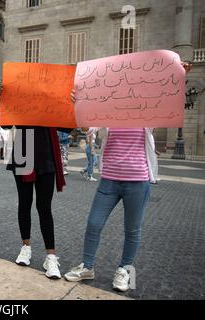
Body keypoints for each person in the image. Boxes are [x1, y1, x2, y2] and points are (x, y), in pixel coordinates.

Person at [64, 61, 192, 292]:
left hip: (138, 180)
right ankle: (87, 266)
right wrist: (79, 106)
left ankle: (124, 270)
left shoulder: (148, 110)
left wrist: (178, 76)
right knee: (94, 224)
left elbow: (169, 101)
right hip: (109, 179)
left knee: (132, 230)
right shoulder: (109, 109)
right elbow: (87, 128)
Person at [0, 85, 72, 279]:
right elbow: (4, 124)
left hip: (47, 157)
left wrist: (71, 102)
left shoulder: (52, 102)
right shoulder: (20, 101)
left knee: (44, 207)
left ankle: (51, 256)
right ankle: (26, 247)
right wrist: (3, 101)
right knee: (24, 204)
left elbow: (68, 125)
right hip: (23, 155)